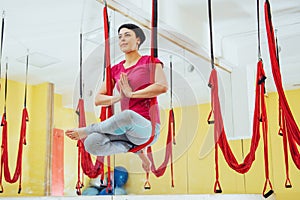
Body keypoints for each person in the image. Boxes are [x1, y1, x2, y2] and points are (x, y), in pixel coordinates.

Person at [65, 23, 168, 172]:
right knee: (91, 143)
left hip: (148, 127)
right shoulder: (115, 69)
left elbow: (162, 86)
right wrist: (119, 97)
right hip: (127, 133)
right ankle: (135, 149)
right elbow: (98, 99)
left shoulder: (149, 61)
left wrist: (132, 94)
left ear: (138, 40)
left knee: (127, 116)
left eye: (127, 35)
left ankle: (87, 129)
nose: (122, 40)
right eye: (120, 37)